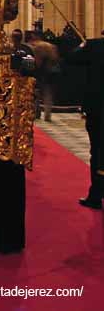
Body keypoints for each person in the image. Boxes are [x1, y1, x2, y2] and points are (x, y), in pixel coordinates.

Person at [67, 37, 104, 209]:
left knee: (98, 150)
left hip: (98, 107)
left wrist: (84, 45)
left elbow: (71, 59)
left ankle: (96, 195)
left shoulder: (95, 45)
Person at [25, 31, 59, 122]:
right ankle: (47, 114)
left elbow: (33, 59)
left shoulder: (33, 46)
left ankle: (36, 112)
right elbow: (55, 58)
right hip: (49, 72)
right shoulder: (50, 46)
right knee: (47, 94)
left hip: (38, 71)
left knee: (35, 93)